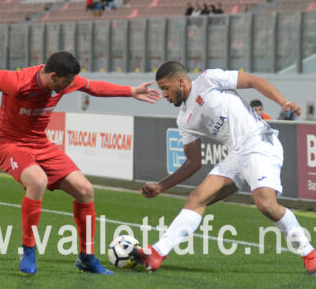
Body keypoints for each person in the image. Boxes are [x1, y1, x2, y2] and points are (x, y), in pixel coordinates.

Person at [0, 51, 160, 275]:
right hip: (9, 144)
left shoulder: (65, 81)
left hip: (41, 145)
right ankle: (28, 249)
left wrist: (130, 91)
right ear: (53, 76)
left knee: (85, 190)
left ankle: (86, 257)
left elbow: (92, 87)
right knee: (38, 181)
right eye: (66, 82)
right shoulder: (16, 82)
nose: (70, 87)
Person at [131, 61, 316, 276]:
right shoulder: (184, 119)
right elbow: (194, 162)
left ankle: (309, 253)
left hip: (259, 142)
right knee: (197, 197)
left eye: (165, 87)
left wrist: (283, 102)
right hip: (237, 154)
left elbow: (253, 81)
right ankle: (156, 253)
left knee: (266, 205)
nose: (163, 94)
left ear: (180, 82)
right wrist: (161, 186)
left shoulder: (209, 79)